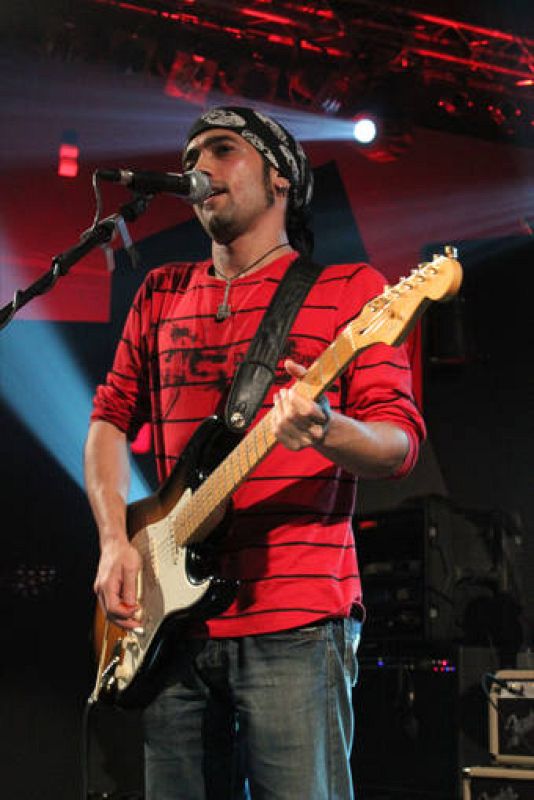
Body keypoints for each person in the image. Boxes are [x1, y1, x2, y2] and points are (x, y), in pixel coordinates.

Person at [85, 105, 426, 800]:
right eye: (190, 158)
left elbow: (398, 442)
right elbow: (108, 420)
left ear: (280, 178)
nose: (198, 168)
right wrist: (115, 540)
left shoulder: (350, 292)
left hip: (297, 620)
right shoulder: (160, 293)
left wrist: (328, 429)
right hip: (171, 628)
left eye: (222, 149)